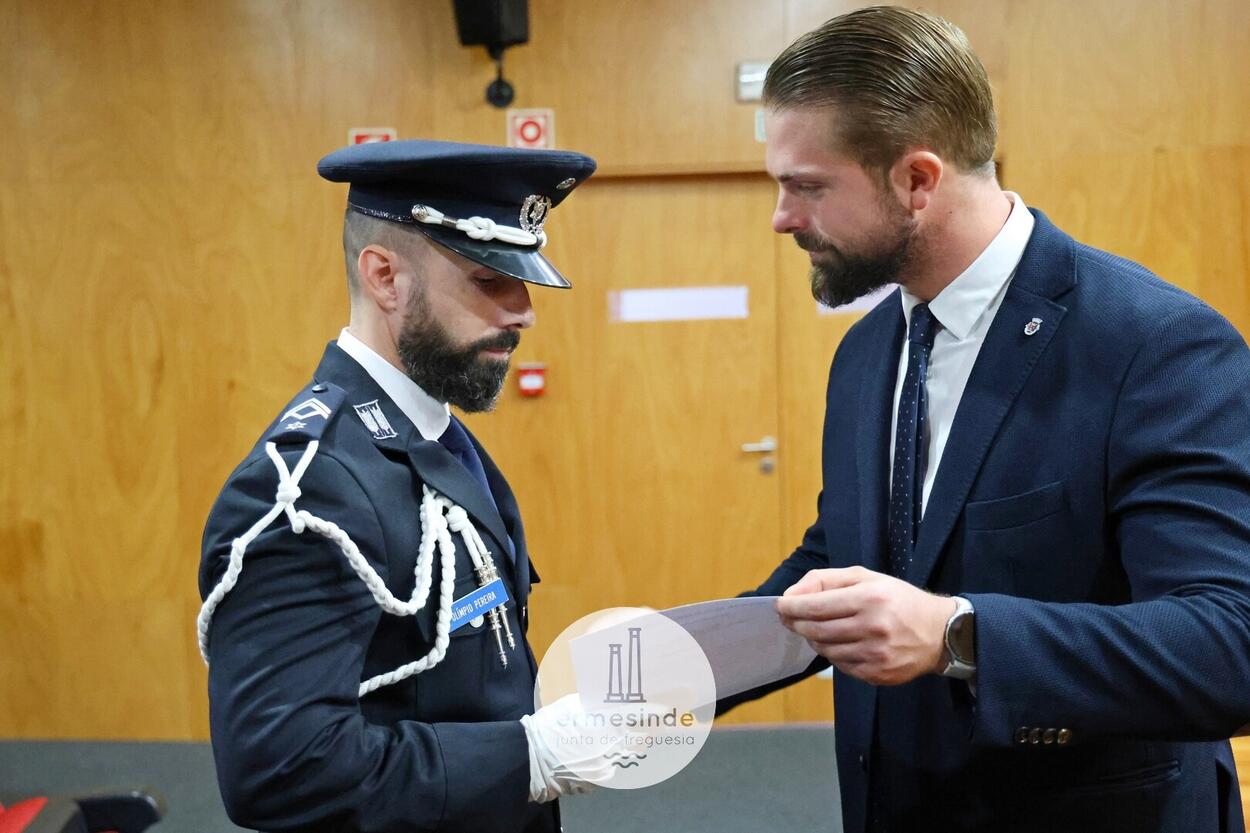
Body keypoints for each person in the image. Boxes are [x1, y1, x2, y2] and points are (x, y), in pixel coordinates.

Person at [726, 7, 1250, 832]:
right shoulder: (869, 350)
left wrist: (958, 633)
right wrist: (682, 663)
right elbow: (846, 556)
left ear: (918, 181)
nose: (782, 218)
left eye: (807, 186)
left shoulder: (1153, 344)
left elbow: (1229, 642)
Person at [196, 140, 613, 833]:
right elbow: (280, 768)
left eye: (525, 281)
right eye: (488, 279)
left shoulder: (426, 431)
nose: (523, 312)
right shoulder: (311, 486)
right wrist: (526, 755)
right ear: (385, 276)